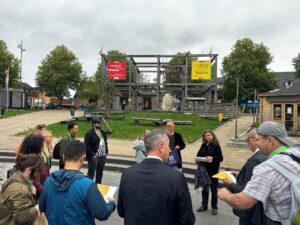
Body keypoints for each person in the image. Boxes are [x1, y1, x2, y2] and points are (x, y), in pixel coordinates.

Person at [218, 121, 300, 225]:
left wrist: (225, 195)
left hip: (278, 221)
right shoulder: (296, 154)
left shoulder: (266, 169)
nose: (257, 144)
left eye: (258, 140)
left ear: (270, 140)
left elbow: (242, 202)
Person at [117, 130, 195, 225]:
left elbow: (121, 211)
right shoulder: (176, 177)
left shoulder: (127, 173)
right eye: (168, 145)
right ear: (161, 146)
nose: (170, 150)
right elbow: (187, 219)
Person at [39, 140, 116, 225]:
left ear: (64, 157)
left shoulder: (48, 181)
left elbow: (42, 207)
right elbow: (102, 214)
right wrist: (111, 202)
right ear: (82, 159)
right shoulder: (87, 185)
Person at [223, 128, 267, 225]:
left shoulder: (255, 160)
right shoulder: (265, 155)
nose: (248, 144)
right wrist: (240, 175)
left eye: (247, 141)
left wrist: (230, 183)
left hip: (250, 213)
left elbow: (246, 190)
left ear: (252, 140)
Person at [0, 154, 44, 225]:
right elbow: (22, 217)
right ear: (28, 170)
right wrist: (39, 206)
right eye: (38, 171)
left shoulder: (16, 176)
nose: (39, 175)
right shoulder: (20, 190)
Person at [196, 130, 223, 215]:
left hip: (213, 171)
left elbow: (220, 158)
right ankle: (204, 206)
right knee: (205, 189)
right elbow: (199, 154)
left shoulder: (216, 145)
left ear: (212, 136)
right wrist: (197, 159)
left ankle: (214, 207)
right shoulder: (203, 145)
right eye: (206, 136)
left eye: (209, 135)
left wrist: (213, 158)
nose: (207, 137)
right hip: (204, 170)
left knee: (214, 190)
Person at [19, 133, 50, 199]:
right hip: (36, 199)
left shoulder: (24, 158)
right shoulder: (35, 161)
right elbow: (36, 183)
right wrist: (48, 194)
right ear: (38, 146)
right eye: (42, 144)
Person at [85, 117, 110, 184]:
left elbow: (105, 142)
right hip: (94, 156)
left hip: (103, 155)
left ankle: (98, 185)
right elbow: (86, 145)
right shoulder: (89, 133)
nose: (99, 124)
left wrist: (106, 151)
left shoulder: (102, 132)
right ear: (94, 124)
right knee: (91, 173)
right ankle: (88, 187)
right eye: (98, 123)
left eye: (99, 123)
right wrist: (92, 155)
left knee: (100, 172)